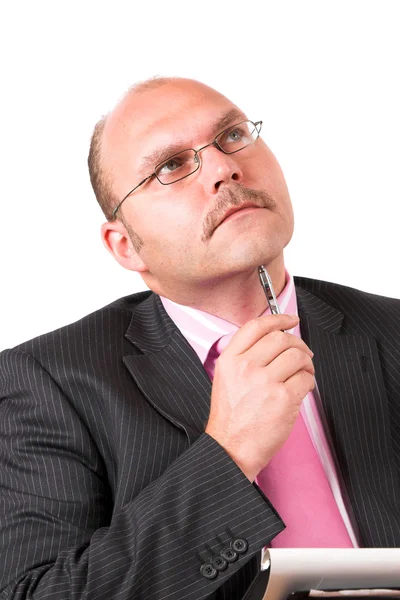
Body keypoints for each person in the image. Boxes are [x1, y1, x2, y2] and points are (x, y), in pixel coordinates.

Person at [0, 76, 399, 600]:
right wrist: (229, 455)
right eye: (171, 165)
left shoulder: (389, 332)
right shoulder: (47, 383)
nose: (222, 167)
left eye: (233, 135)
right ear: (125, 246)